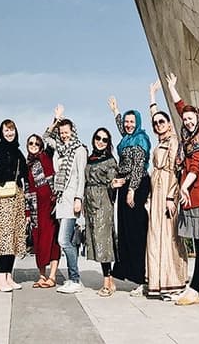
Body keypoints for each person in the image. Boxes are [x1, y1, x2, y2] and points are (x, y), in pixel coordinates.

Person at [165, 72, 199, 306]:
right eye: (185, 119)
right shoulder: (189, 133)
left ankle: (193, 291)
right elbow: (181, 108)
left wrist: (183, 188)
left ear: (198, 117)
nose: (187, 121)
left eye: (190, 118)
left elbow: (197, 165)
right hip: (193, 196)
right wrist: (172, 88)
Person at [146, 80, 188, 299]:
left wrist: (171, 196)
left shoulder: (173, 141)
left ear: (170, 124)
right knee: (155, 235)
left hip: (167, 191)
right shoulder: (159, 141)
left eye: (162, 122)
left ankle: (173, 281)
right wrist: (152, 97)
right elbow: (154, 116)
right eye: (156, 123)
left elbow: (175, 169)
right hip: (156, 191)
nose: (158, 124)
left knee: (168, 236)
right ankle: (157, 281)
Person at [107, 96, 151, 295]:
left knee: (136, 232)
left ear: (138, 122)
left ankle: (142, 278)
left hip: (137, 186)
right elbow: (122, 128)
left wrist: (132, 189)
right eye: (126, 121)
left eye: (132, 121)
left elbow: (139, 166)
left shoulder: (140, 139)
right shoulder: (127, 138)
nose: (128, 124)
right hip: (124, 185)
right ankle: (131, 273)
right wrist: (116, 111)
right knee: (125, 231)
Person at [43, 105, 87, 294]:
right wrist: (55, 121)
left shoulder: (79, 150)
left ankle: (75, 279)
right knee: (69, 242)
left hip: (71, 200)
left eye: (67, 132)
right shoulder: (60, 149)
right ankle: (73, 279)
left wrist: (79, 198)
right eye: (61, 133)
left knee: (63, 240)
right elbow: (46, 137)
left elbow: (81, 177)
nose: (64, 135)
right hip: (61, 200)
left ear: (73, 131)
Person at [0, 119, 28, 292]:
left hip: (17, 196)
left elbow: (25, 172)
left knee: (14, 237)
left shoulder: (18, 152)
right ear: (1, 132)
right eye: (6, 130)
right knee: (4, 237)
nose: (9, 133)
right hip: (2, 196)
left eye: (11, 130)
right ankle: (1, 278)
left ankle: (9, 276)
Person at [84, 127, 120, 297]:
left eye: (105, 139)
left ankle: (106, 283)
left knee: (103, 241)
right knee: (95, 241)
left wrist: (113, 184)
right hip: (90, 202)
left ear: (108, 143)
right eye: (98, 138)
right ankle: (110, 280)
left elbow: (112, 180)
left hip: (103, 202)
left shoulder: (110, 161)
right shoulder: (90, 159)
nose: (100, 141)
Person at [24, 133, 60, 289]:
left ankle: (52, 276)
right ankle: (41, 276)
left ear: (41, 146)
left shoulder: (46, 156)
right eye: (31, 143)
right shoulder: (27, 164)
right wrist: (27, 213)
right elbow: (27, 189)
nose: (33, 146)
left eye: (36, 144)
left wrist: (53, 125)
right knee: (39, 242)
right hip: (35, 208)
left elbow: (50, 139)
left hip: (50, 205)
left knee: (52, 241)